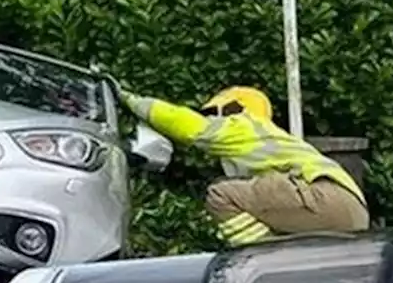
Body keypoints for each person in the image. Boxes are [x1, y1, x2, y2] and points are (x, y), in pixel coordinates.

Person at [112, 82, 369, 246]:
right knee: (255, 200)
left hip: (323, 198)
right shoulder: (273, 137)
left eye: (214, 113)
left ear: (233, 108)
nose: (211, 120)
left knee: (222, 194)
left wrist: (129, 99)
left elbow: (183, 124)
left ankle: (263, 257)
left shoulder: (243, 125)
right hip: (352, 212)